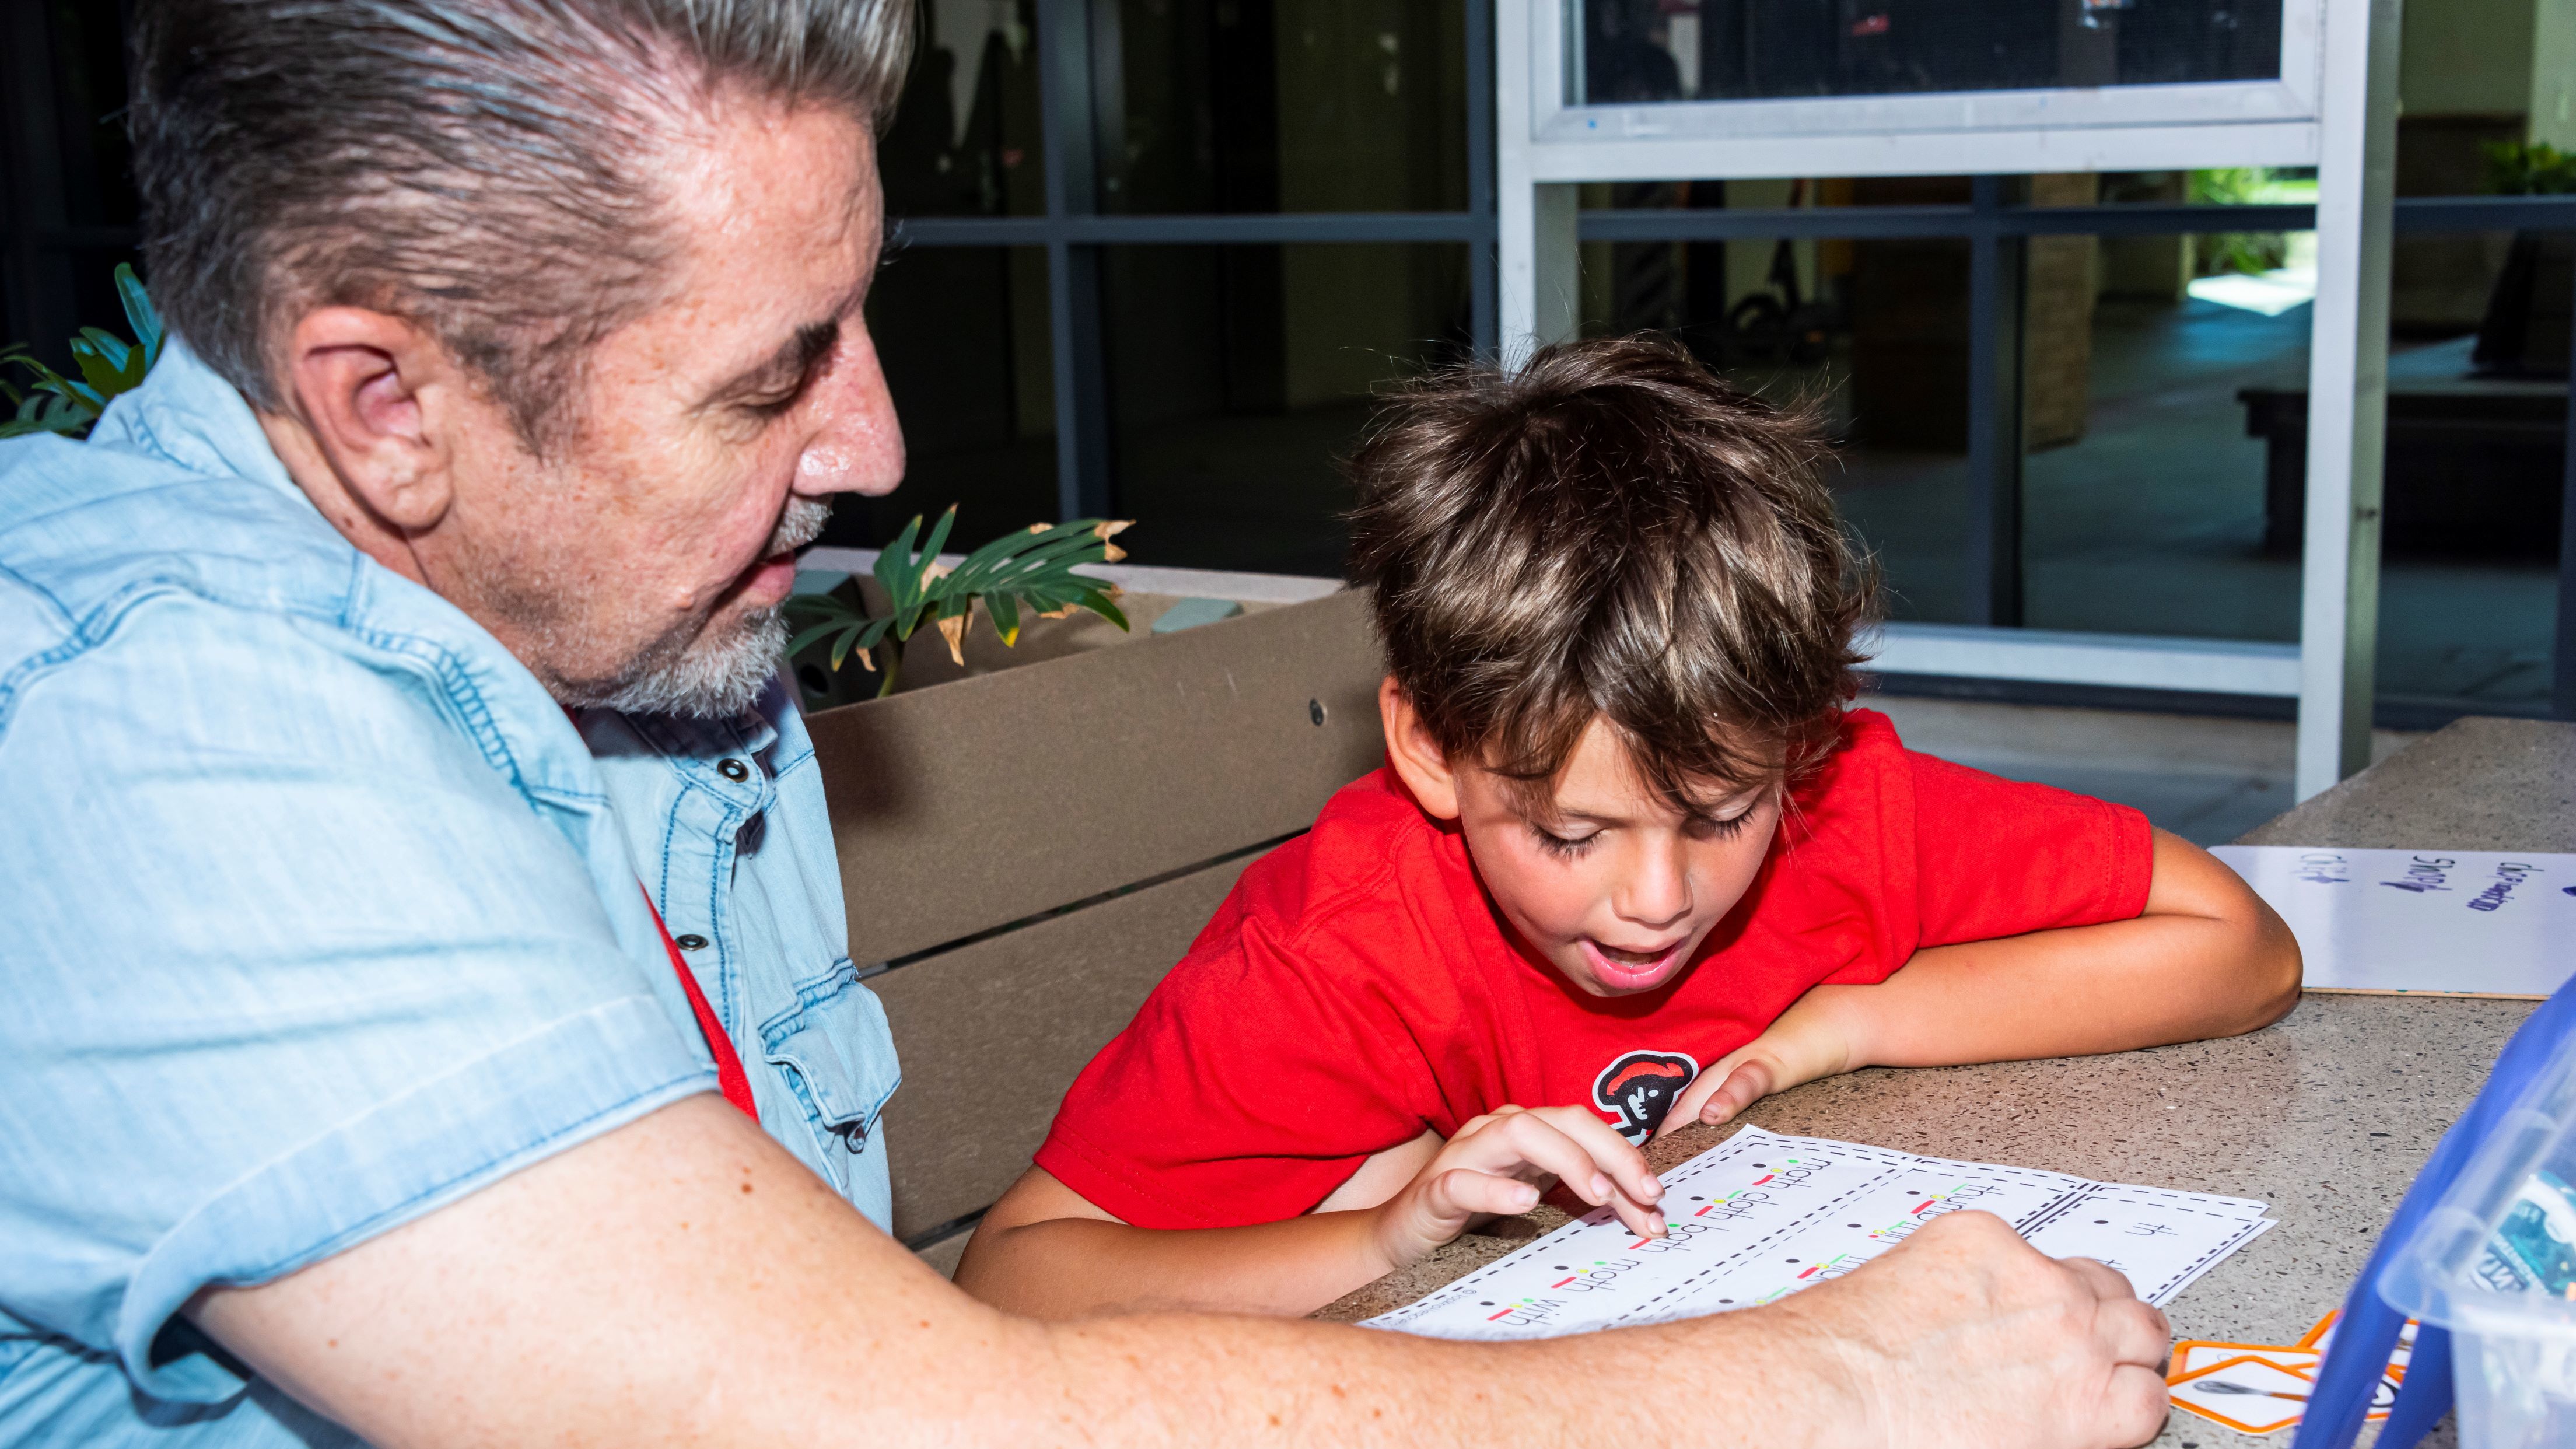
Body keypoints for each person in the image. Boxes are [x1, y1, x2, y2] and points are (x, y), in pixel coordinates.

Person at [0, 2, 2177, 1446]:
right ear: (389, 404)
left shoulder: (605, 620)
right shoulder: (148, 743)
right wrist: (1821, 1374)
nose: (873, 436)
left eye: (857, 321)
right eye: (773, 373)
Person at [956, 338, 2303, 1320]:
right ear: (1430, 747)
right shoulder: (1343, 948)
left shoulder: (1839, 803)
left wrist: (1845, 1025)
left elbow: (2241, 949)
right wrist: (1391, 1230)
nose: (1657, 897)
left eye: (1720, 816)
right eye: (1568, 836)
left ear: (1800, 739)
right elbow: (1017, 1278)